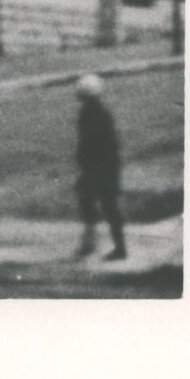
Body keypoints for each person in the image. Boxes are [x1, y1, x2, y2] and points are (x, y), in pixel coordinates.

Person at [74, 74, 127, 260]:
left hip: (100, 166)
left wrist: (86, 164)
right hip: (105, 165)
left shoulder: (90, 114)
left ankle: (115, 248)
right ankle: (98, 243)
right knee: (94, 202)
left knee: (103, 204)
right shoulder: (99, 113)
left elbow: (90, 143)